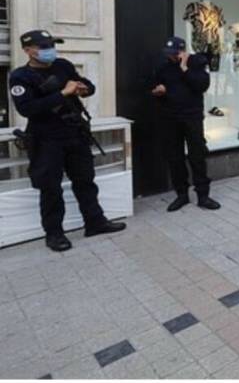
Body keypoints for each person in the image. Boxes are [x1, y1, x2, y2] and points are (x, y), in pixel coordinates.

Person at [9, 30, 126, 252]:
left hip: (74, 132)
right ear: (28, 50)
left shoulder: (62, 65)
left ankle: (95, 222)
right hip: (46, 139)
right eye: (44, 47)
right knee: (50, 188)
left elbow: (86, 85)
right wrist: (62, 93)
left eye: (51, 45)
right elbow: (27, 109)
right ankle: (54, 234)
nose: (50, 50)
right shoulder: (20, 77)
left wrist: (84, 89)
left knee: (85, 181)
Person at [151, 36, 221, 212]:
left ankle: (203, 195)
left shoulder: (196, 63)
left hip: (192, 117)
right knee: (175, 157)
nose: (171, 57)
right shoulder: (163, 67)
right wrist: (158, 91)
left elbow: (201, 85)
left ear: (182, 52)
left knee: (197, 156)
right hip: (170, 118)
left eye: (174, 54)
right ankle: (182, 194)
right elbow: (153, 85)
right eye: (169, 54)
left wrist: (184, 68)